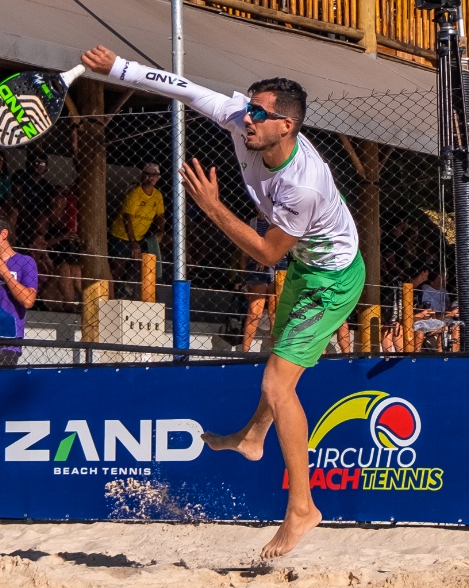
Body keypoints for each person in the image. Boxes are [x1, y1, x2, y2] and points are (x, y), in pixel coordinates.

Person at [81, 44, 363, 559]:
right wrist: (117, 68)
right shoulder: (243, 121)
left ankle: (302, 508)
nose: (248, 117)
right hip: (305, 266)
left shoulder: (304, 185)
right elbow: (184, 88)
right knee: (279, 372)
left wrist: (211, 206)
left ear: (288, 127)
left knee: (278, 383)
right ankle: (253, 440)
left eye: (260, 112)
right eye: (249, 107)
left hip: (334, 279)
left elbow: (263, 250)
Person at [0, 214, 38, 366]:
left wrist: (5, 273)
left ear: (3, 234)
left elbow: (28, 300)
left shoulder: (25, 261)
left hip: (7, 340)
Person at [109, 163, 165, 300]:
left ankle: (127, 290)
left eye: (154, 175)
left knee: (140, 263)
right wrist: (133, 242)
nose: (150, 178)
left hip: (140, 236)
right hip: (121, 235)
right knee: (119, 267)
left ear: (158, 177)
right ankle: (111, 295)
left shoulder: (157, 195)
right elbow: (127, 218)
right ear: (142, 175)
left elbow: (160, 216)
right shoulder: (135, 193)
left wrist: (161, 231)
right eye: (148, 174)